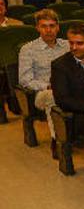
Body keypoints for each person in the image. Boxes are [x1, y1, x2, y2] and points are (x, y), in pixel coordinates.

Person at [18, 9, 68, 141]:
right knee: (52, 96)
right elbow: (25, 80)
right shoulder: (28, 50)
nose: (48, 30)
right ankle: (57, 141)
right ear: (37, 28)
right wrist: (47, 86)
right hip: (42, 93)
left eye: (52, 26)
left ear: (57, 27)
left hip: (68, 88)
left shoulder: (67, 45)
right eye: (44, 26)